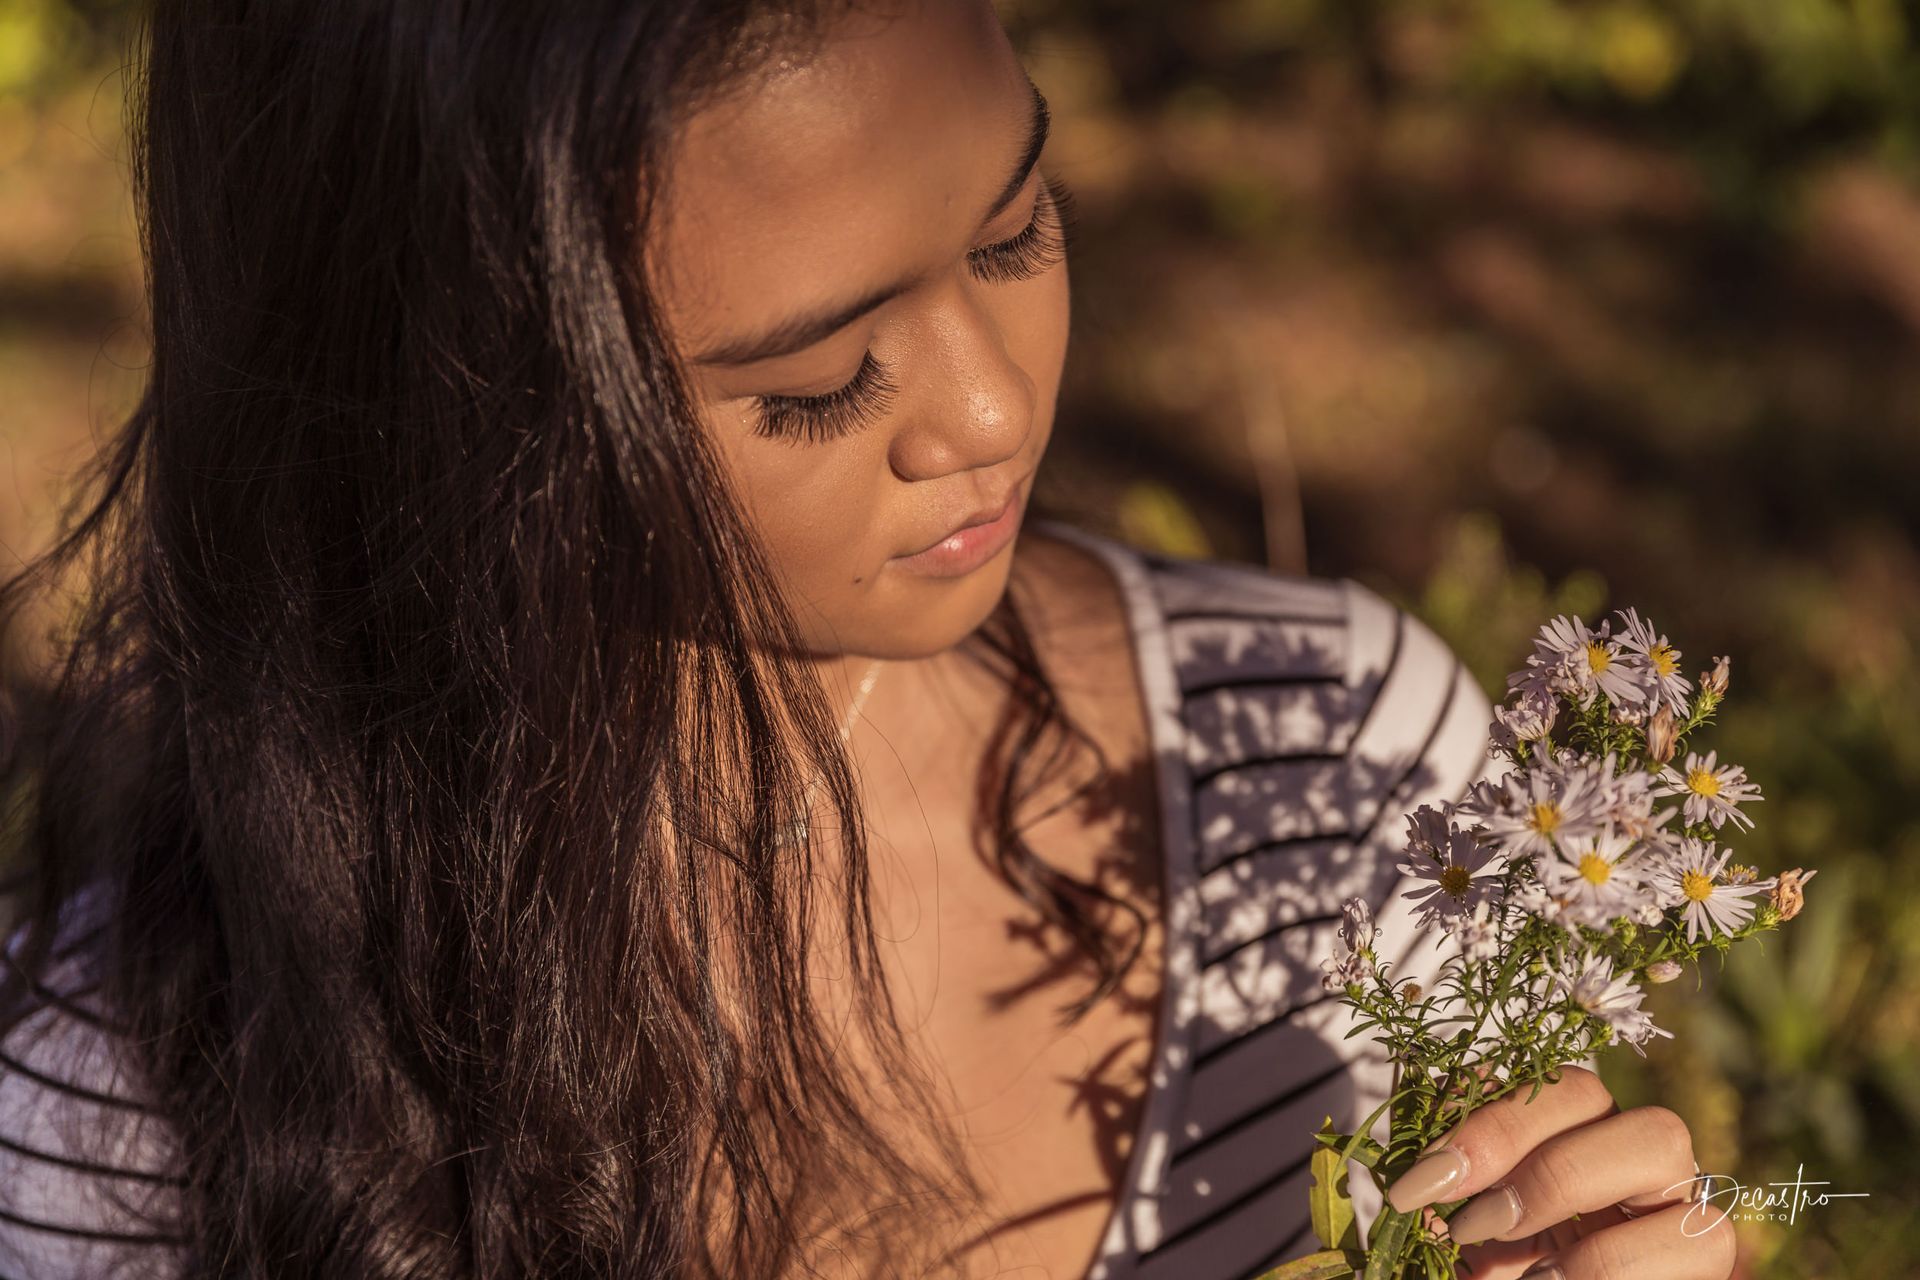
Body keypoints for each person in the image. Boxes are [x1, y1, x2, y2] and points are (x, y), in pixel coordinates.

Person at [0, 2, 1736, 1278]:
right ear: (449, 411)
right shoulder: (147, 1095)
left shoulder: (1354, 781)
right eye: (822, 379)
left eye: (1016, 229)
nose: (989, 408)